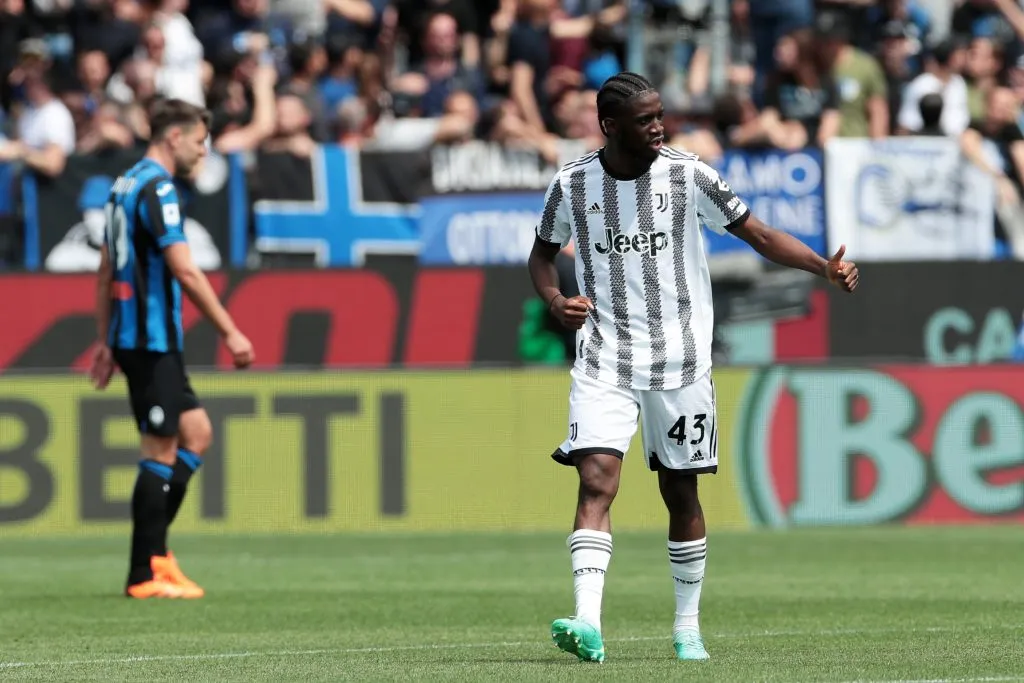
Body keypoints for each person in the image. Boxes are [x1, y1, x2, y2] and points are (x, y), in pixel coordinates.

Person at [527, 71, 858, 663]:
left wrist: (821, 268)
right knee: (596, 480)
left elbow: (756, 232)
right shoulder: (572, 185)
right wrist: (556, 301)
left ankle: (687, 628)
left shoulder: (686, 174)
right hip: (605, 358)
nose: (659, 125)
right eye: (646, 118)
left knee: (679, 494)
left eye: (661, 114)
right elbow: (542, 256)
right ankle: (587, 621)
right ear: (610, 126)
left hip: (681, 363)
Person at [88, 98, 256, 600]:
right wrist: (231, 330)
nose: (204, 153)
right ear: (174, 137)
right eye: (201, 142)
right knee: (159, 449)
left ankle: (158, 556)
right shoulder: (158, 187)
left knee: (197, 433)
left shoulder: (123, 184)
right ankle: (144, 572)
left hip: (134, 336)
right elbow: (184, 268)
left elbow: (103, 270)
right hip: (148, 338)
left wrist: (103, 339)